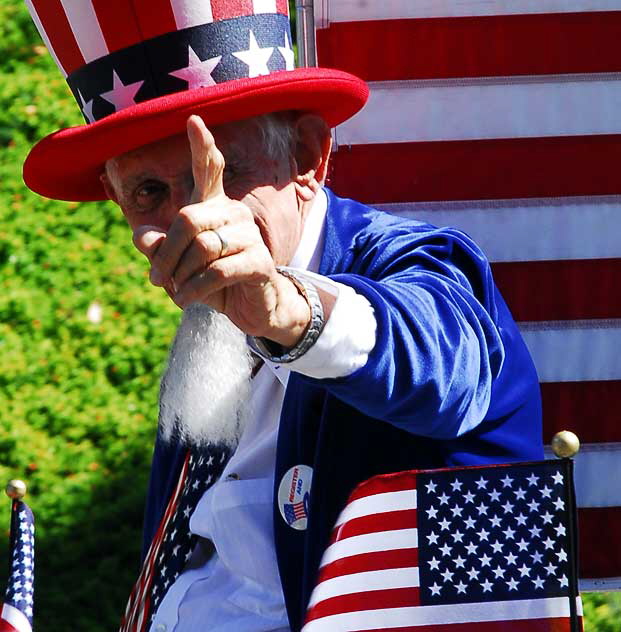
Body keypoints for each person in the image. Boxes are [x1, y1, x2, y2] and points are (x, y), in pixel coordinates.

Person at [22, 2, 543, 631]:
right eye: (150, 194)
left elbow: (441, 363)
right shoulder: (206, 330)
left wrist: (285, 310)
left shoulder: (417, 264)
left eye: (222, 173)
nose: (197, 220)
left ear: (306, 156)